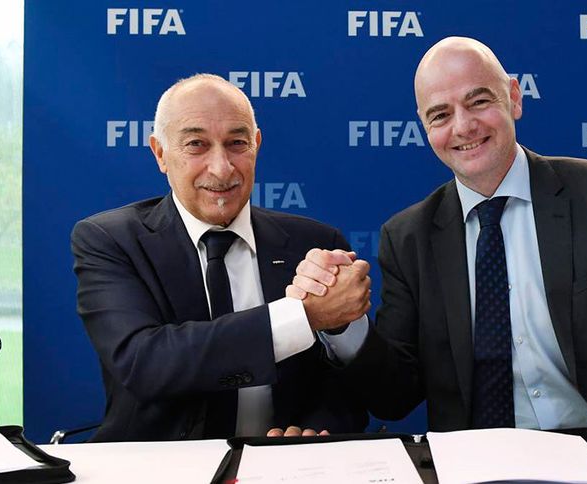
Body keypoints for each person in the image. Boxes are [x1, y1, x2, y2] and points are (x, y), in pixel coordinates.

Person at [289, 37, 587, 430]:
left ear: (514, 98)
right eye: (440, 114)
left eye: (478, 101)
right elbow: (395, 396)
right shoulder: (407, 237)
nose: (463, 126)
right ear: (425, 128)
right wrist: (344, 325)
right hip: (477, 465)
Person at [71, 74, 371, 441]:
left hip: (286, 463)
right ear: (160, 153)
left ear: (256, 145)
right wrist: (303, 316)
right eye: (196, 145)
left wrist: (316, 427)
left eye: (236, 143)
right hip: (161, 465)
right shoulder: (110, 240)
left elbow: (348, 389)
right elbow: (144, 362)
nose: (221, 167)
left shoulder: (316, 243)